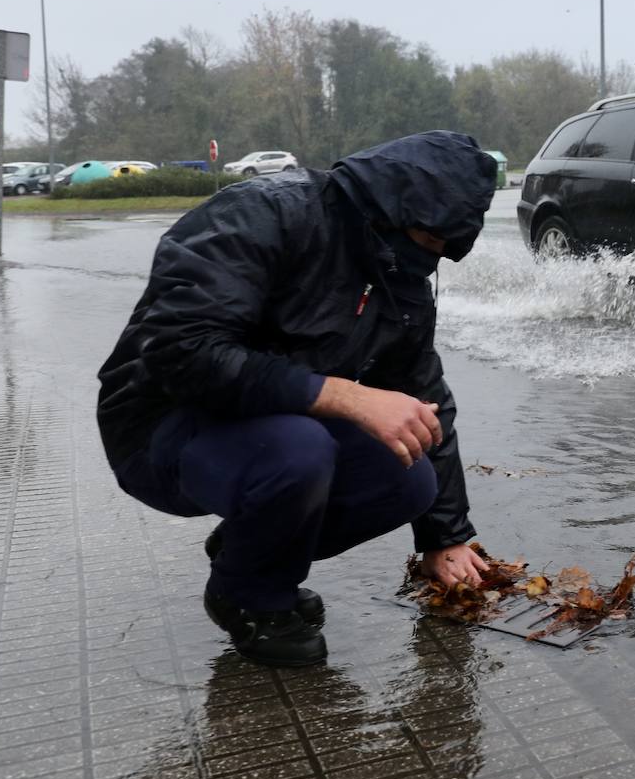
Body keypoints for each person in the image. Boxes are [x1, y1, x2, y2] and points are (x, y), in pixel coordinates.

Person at [97, 131, 497, 667]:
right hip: (159, 427)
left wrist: (445, 537)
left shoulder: (399, 274)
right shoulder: (262, 214)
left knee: (409, 476)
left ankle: (249, 555)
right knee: (299, 448)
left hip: (270, 433)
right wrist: (342, 395)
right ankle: (250, 600)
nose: (430, 259)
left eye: (443, 251)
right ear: (390, 206)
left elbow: (426, 400)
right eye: (428, 241)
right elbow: (183, 351)